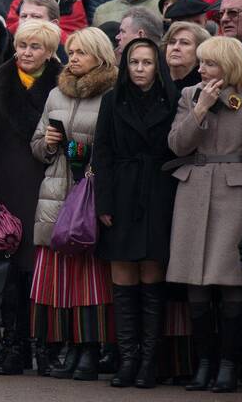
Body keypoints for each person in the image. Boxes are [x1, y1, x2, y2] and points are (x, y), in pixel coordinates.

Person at [166, 36, 242, 392]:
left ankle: (228, 365)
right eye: (201, 63)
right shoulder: (190, 95)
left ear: (228, 64)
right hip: (194, 190)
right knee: (194, 284)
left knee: (232, 285)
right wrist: (200, 110)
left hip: (234, 195)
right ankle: (204, 363)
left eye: (209, 63)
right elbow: (178, 144)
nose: (201, 70)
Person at [0, 20, 63, 374]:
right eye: (22, 45)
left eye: (35, 47)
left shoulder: (62, 82)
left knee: (41, 272)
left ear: (49, 51)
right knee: (10, 274)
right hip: (9, 186)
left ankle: (45, 347)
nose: (26, 53)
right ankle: (13, 346)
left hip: (49, 185)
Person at [30, 27, 117, 380]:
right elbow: (35, 145)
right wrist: (48, 143)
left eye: (82, 52)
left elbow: (114, 148)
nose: (74, 58)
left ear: (100, 55)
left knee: (89, 278)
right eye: (71, 51)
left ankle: (89, 351)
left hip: (89, 194)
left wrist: (78, 150)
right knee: (58, 278)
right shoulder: (56, 93)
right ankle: (64, 346)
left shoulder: (111, 93)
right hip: (55, 192)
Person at [93, 37, 179, 388]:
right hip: (122, 192)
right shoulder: (113, 100)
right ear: (125, 66)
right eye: (134, 63)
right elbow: (103, 151)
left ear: (157, 65)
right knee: (124, 279)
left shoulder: (171, 99)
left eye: (146, 62)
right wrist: (104, 203)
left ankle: (149, 361)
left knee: (152, 278)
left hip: (159, 191)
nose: (140, 69)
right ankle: (127, 359)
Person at [163, 21, 210, 90]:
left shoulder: (205, 88)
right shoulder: (154, 81)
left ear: (199, 50)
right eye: (172, 42)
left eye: (184, 43)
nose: (175, 47)